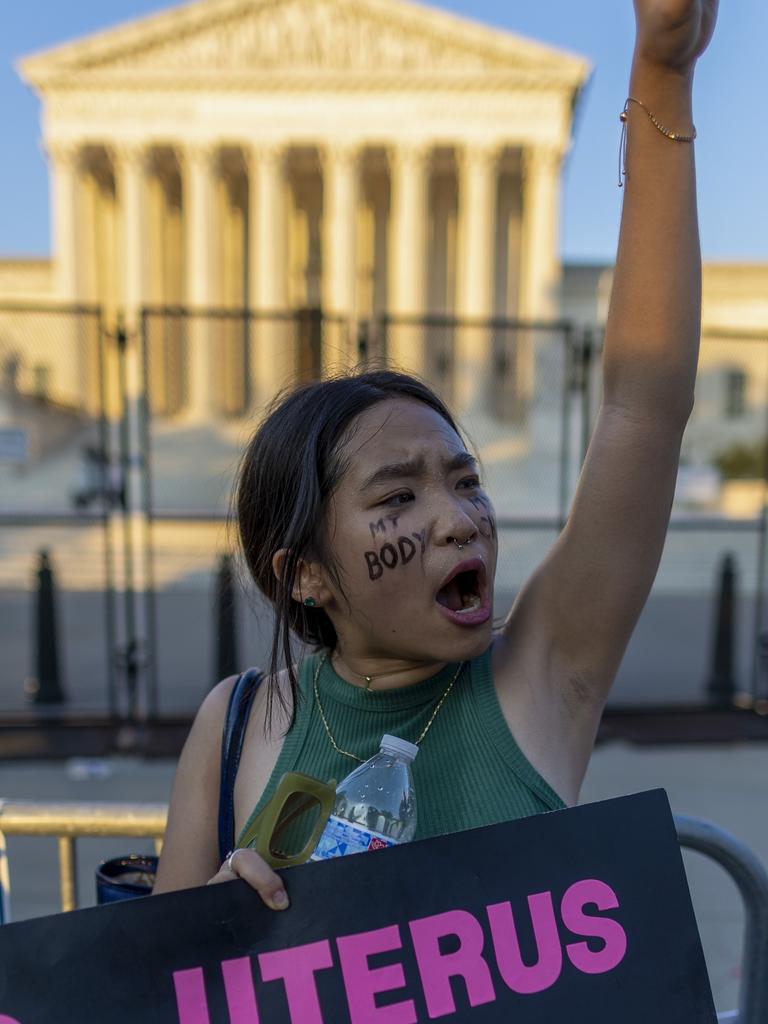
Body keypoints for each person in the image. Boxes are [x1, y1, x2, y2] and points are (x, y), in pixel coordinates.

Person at [153, 0, 719, 912]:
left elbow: (642, 409)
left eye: (466, 480)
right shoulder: (236, 726)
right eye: (399, 497)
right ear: (304, 576)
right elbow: (148, 992)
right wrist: (208, 928)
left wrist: (663, 72)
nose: (460, 517)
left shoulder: (540, 677)